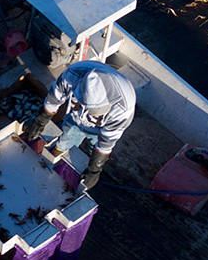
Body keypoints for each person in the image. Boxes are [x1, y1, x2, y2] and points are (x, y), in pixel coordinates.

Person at [23, 61, 135, 190]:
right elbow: (54, 98)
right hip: (75, 119)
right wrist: (40, 121)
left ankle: (86, 167)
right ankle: (56, 163)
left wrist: (94, 170)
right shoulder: (73, 74)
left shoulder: (123, 108)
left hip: (99, 132)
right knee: (64, 141)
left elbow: (106, 142)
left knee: (94, 152)